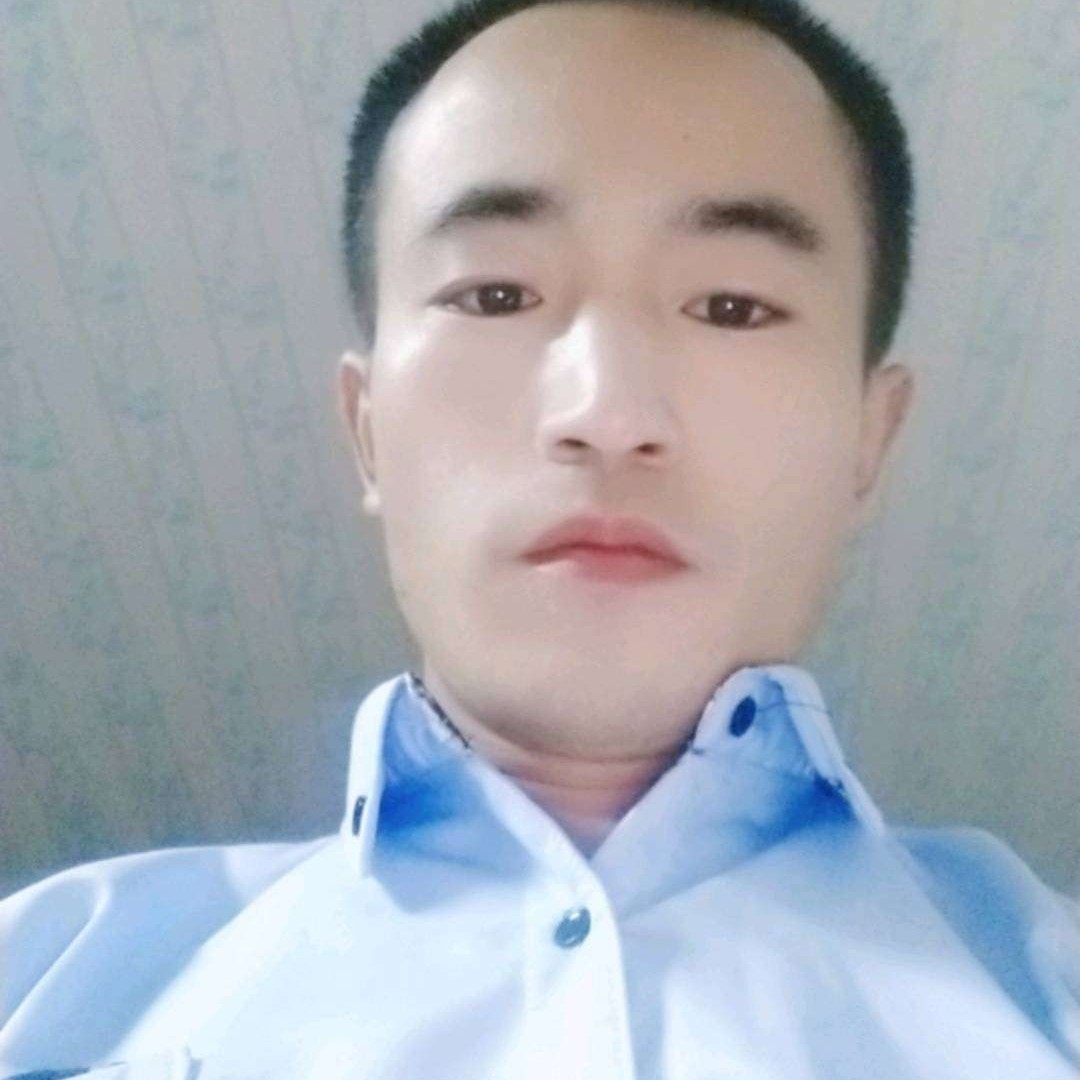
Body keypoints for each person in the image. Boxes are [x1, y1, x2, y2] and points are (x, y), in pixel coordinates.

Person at [2, 0, 1077, 1076]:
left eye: (733, 307)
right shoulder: (45, 982)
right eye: (497, 293)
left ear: (870, 439)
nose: (606, 412)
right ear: (368, 430)